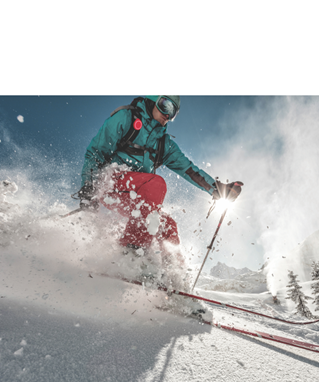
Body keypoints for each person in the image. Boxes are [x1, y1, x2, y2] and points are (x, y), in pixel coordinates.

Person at [78, 95, 243, 263]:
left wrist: (218, 189)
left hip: (138, 196)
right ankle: (131, 254)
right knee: (156, 184)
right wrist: (88, 187)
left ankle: (171, 271)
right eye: (166, 106)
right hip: (111, 183)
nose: (167, 115)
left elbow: (189, 170)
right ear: (154, 99)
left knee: (168, 225)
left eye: (173, 113)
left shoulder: (163, 144)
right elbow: (95, 153)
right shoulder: (126, 118)